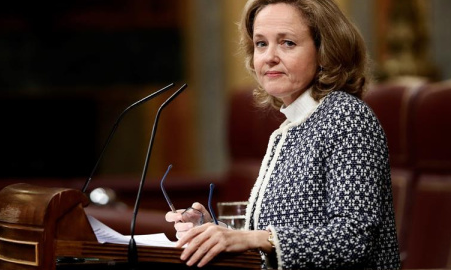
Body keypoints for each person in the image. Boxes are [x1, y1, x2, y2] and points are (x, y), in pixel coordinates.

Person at [165, 0, 401, 269]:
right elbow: (276, 236)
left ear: (325, 51)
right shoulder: (290, 128)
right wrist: (212, 233)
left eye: (287, 43)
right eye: (261, 44)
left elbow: (353, 240)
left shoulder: (346, 117)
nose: (269, 57)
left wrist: (251, 239)